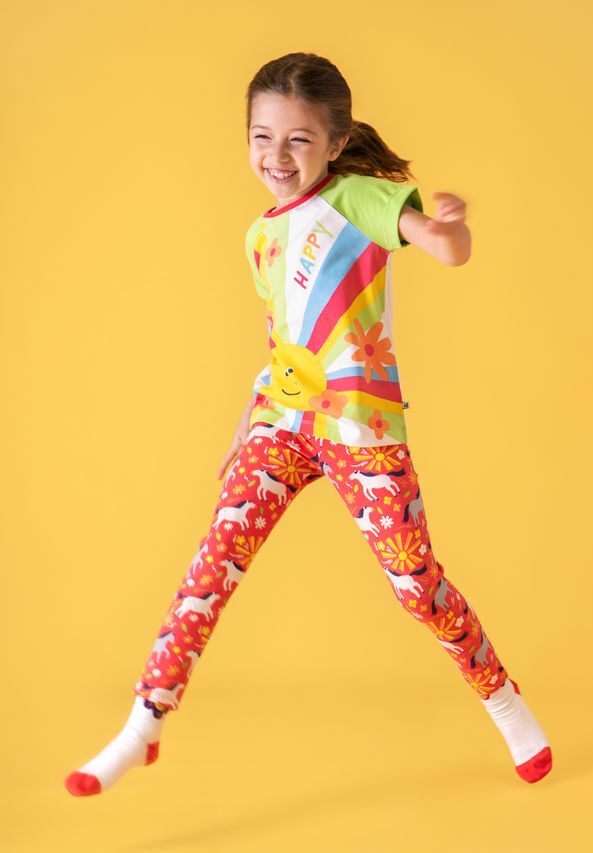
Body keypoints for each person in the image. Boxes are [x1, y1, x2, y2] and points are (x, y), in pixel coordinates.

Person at [65, 51, 552, 797]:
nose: (277, 156)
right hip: (282, 423)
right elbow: (284, 341)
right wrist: (248, 419)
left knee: (416, 585)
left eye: (298, 139)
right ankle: (143, 725)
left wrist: (453, 226)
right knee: (213, 560)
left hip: (360, 427)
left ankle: (504, 701)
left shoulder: (358, 198)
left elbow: (444, 248)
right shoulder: (259, 236)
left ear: (335, 141)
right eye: (262, 137)